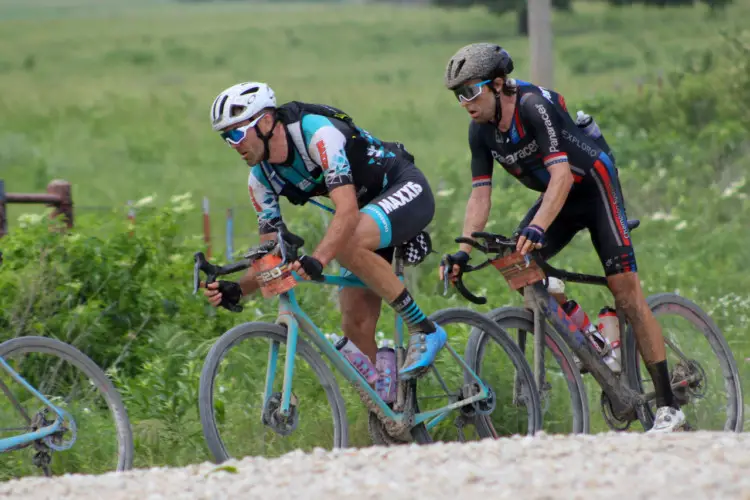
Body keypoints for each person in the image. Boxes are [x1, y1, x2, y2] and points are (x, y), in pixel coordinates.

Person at [438, 43, 686, 433]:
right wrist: (463, 250)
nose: (464, 102)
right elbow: (479, 194)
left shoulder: (533, 106)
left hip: (593, 187)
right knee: (519, 265)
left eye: (471, 90)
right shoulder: (480, 132)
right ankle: (597, 342)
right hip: (559, 198)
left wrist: (537, 227)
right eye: (458, 94)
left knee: (626, 293)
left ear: (498, 84)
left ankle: (669, 407)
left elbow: (562, 176)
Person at [201, 81, 446, 383]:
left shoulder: (317, 133)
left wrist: (317, 259)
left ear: (265, 122)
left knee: (346, 245)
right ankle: (391, 413)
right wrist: (239, 288)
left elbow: (347, 211)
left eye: (236, 133)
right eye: (227, 138)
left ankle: (425, 329)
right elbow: (271, 253)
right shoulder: (260, 179)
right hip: (366, 214)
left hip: (401, 188)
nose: (234, 144)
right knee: (355, 326)